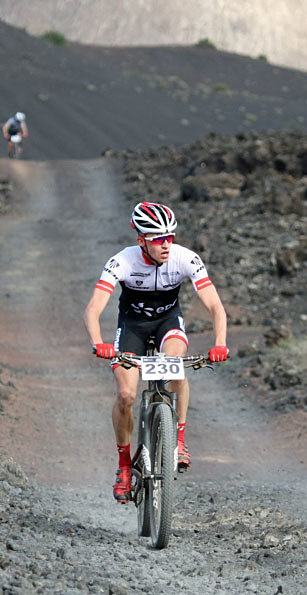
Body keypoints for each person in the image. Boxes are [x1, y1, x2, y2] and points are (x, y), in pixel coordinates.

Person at [83, 202, 229, 503]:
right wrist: (99, 342)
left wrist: (220, 343)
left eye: (170, 237)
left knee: (175, 364)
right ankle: (124, 466)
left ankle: (180, 441)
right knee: (126, 395)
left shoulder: (185, 258)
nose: (167, 245)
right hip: (132, 328)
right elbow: (93, 308)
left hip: (167, 323)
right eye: (159, 239)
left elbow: (215, 306)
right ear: (142, 241)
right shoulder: (122, 261)